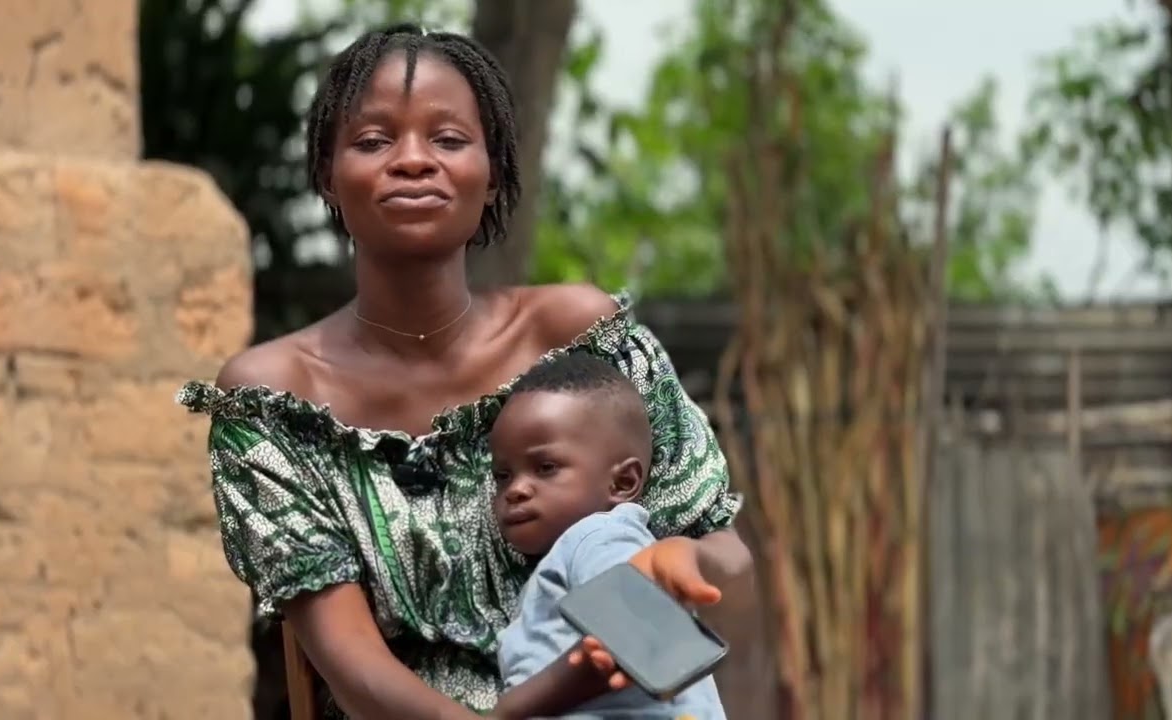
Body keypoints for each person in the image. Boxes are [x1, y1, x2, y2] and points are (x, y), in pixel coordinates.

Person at [176, 22, 749, 720]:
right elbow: (355, 672)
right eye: (373, 140)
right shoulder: (271, 401)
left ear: (495, 169)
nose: (413, 160)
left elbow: (719, 546)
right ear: (327, 171)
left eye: (448, 139)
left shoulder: (583, 338)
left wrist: (681, 572)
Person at [488, 353, 727, 720]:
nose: (516, 490)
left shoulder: (599, 537)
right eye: (503, 476)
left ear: (623, 482)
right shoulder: (572, 556)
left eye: (545, 467)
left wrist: (545, 690)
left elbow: (648, 644)